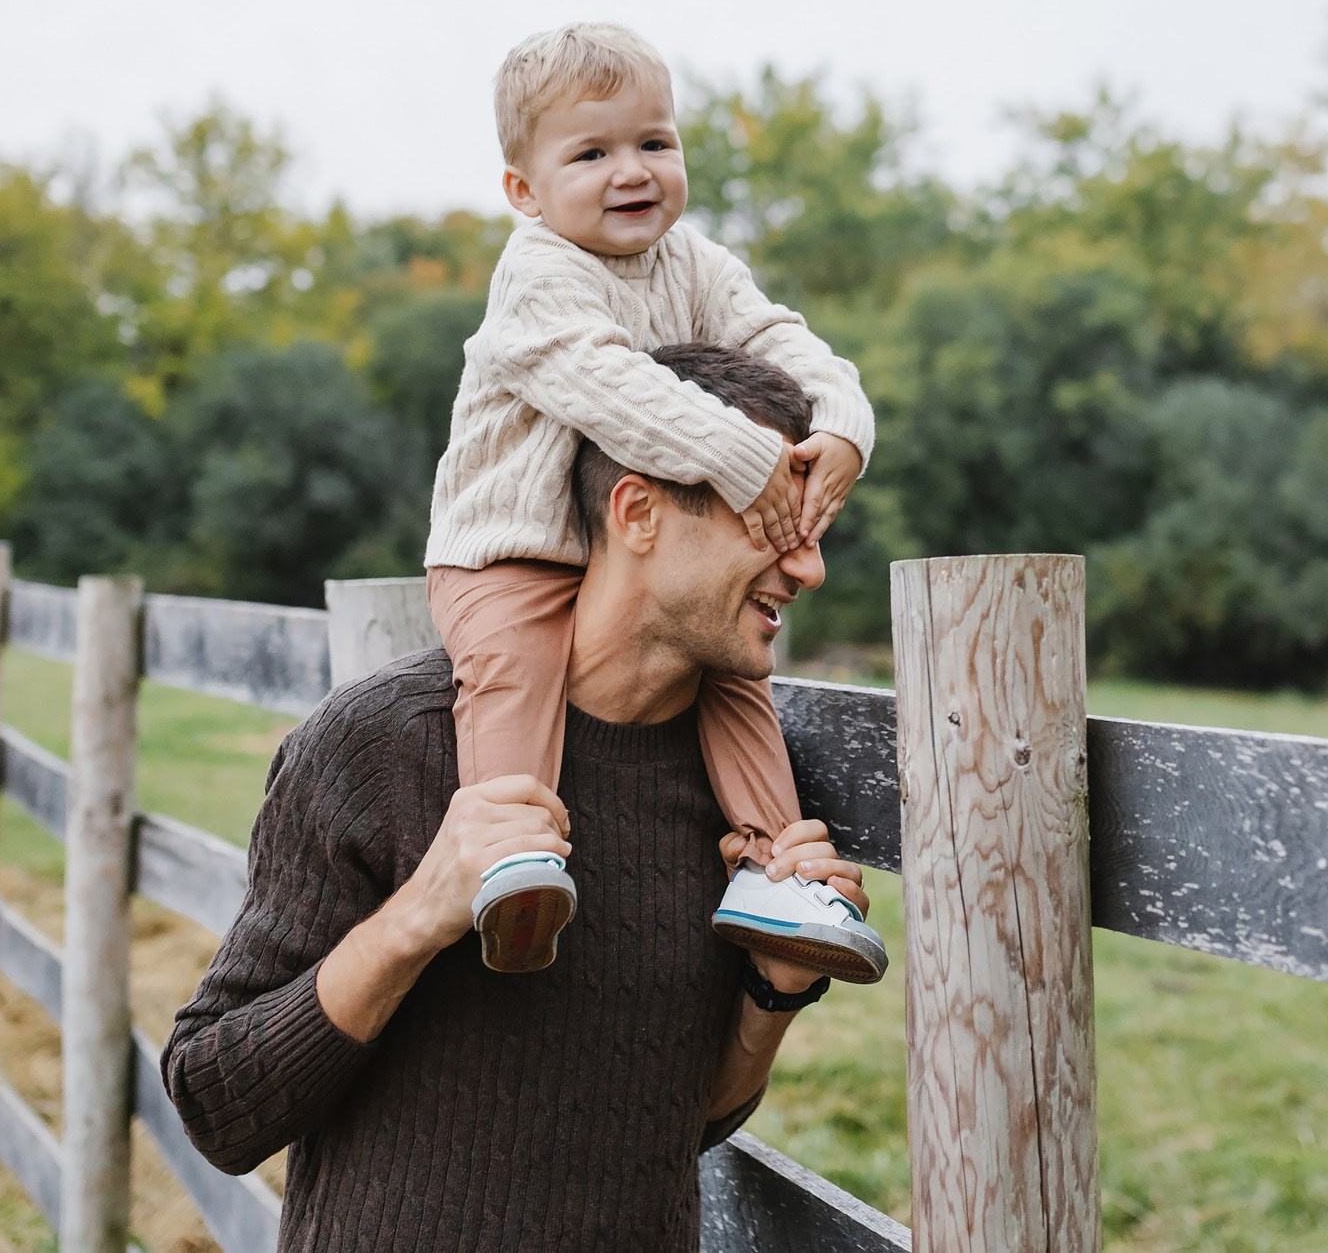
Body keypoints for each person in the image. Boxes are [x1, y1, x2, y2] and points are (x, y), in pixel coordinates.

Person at [163, 343, 870, 1250]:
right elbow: (219, 1108)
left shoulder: (747, 804)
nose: (808, 568)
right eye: (774, 521)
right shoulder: (385, 743)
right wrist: (419, 912)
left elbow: (675, 1126)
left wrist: (773, 995)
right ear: (640, 511)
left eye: (814, 532)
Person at [423, 22, 884, 982]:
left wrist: (840, 422)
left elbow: (779, 338)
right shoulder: (539, 275)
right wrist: (743, 456)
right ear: (525, 191)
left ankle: (770, 868)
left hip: (619, 552)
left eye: (654, 142)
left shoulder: (699, 265)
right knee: (512, 673)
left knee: (735, 682)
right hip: (504, 546)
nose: (630, 170)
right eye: (590, 153)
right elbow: (605, 385)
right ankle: (511, 858)